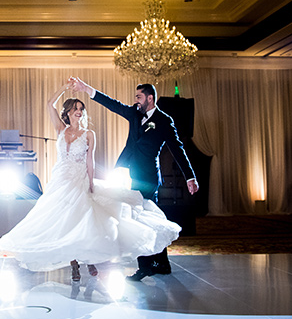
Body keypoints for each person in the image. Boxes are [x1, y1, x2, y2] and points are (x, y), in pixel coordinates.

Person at [0, 81, 181, 282]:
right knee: (61, 221)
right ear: (68, 112)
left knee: (84, 218)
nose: (79, 112)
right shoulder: (60, 129)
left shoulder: (89, 134)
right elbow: (50, 104)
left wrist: (91, 183)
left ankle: (92, 258)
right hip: (60, 180)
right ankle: (75, 261)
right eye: (76, 109)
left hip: (81, 178)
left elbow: (90, 162)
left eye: (81, 109)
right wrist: (63, 89)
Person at [69, 77, 199, 281]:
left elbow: (178, 150)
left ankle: (146, 266)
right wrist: (86, 89)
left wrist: (190, 177)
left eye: (139, 97)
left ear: (150, 98)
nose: (136, 100)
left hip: (147, 178)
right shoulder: (133, 113)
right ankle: (161, 263)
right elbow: (112, 104)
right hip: (127, 174)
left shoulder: (165, 121)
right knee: (147, 219)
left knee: (140, 218)